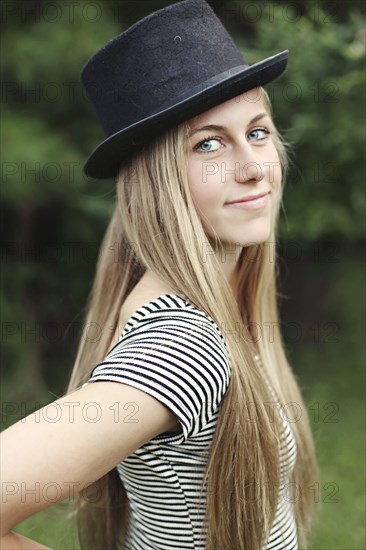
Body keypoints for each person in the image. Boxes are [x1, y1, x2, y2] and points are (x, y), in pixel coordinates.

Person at [0, 0, 319, 548]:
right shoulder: (184, 346)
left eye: (259, 132)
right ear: (156, 180)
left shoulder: (212, 302)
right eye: (209, 143)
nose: (252, 167)